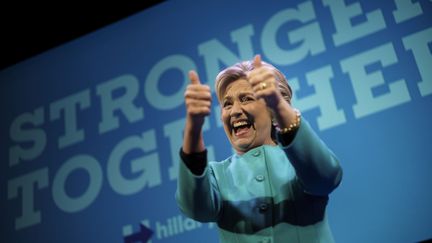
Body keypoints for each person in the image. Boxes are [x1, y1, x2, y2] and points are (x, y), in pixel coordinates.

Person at [176, 55, 343, 243]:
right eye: (227, 104)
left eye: (246, 99)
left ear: (272, 112)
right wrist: (193, 126)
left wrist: (279, 106)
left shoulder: (297, 161)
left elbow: (325, 177)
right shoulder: (217, 175)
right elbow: (196, 208)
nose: (235, 111)